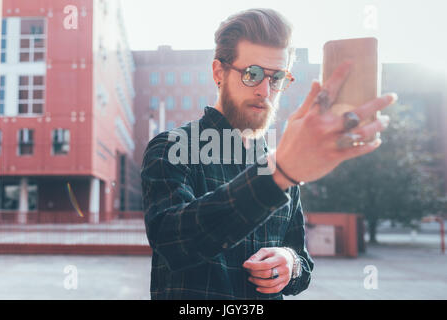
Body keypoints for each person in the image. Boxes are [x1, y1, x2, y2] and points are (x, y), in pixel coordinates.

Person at [141, 8, 396, 300]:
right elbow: (174, 241)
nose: (265, 90)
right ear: (218, 73)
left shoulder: (278, 157)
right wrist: (280, 172)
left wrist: (290, 263)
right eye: (252, 74)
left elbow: (303, 263)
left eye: (276, 78)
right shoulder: (173, 146)